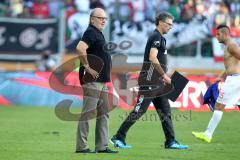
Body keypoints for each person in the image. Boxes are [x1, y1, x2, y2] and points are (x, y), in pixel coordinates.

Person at [110, 12, 189, 149]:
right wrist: (164, 76)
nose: (171, 27)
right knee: (139, 111)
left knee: (165, 112)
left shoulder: (161, 38)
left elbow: (159, 60)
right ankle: (118, 137)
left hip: (158, 82)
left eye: (172, 24)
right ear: (160, 22)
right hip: (149, 81)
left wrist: (164, 76)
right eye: (169, 24)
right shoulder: (155, 37)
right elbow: (153, 57)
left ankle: (170, 141)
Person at [75, 8, 118, 153]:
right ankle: (81, 147)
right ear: (92, 19)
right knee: (88, 113)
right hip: (92, 80)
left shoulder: (98, 33)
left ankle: (102, 146)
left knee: (103, 113)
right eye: (100, 18)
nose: (103, 20)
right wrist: (86, 66)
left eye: (105, 18)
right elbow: (80, 48)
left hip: (101, 81)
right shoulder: (90, 32)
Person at [192, 24, 240, 143]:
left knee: (219, 106)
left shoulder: (232, 45)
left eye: (218, 34)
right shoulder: (228, 46)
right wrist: (221, 76)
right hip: (234, 78)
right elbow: (232, 64)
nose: (216, 37)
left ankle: (208, 134)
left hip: (235, 80)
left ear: (224, 34)